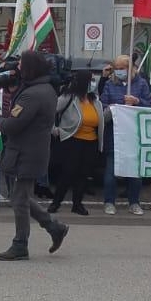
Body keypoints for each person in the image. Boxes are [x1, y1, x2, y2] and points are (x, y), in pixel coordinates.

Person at [0, 50, 69, 261]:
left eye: (21, 65)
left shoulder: (33, 94)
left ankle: (20, 244)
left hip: (26, 153)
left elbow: (13, 125)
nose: (17, 69)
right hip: (31, 151)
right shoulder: (44, 89)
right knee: (20, 197)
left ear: (30, 69)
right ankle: (53, 227)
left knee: (19, 199)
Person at [99, 54, 151, 215]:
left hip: (134, 136)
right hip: (114, 135)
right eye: (116, 69)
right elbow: (102, 105)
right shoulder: (110, 84)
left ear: (130, 69)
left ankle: (134, 202)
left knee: (134, 172)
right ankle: (109, 202)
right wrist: (112, 108)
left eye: (121, 68)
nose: (118, 72)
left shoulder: (141, 84)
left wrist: (137, 102)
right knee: (110, 172)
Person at [48, 70, 104, 216]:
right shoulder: (69, 97)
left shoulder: (95, 100)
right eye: (91, 80)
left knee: (84, 174)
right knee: (68, 173)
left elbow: (102, 119)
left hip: (91, 142)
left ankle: (77, 204)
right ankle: (56, 202)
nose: (93, 83)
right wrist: (55, 130)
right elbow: (49, 112)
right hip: (72, 141)